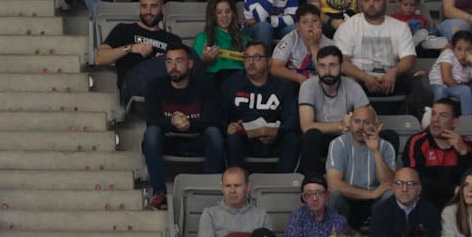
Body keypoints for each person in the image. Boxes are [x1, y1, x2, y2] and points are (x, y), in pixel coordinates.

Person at [141, 42, 223, 209]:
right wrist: (172, 122)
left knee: (215, 133)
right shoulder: (155, 86)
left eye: (179, 61)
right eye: (169, 61)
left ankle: (212, 190)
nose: (174, 66)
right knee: (151, 133)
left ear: (190, 63)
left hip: (196, 141)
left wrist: (189, 123)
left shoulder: (205, 86)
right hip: (168, 141)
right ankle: (159, 193)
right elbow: (152, 119)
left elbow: (213, 119)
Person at [332, 0, 417, 111]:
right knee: (345, 83)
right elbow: (341, 62)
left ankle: (419, 121)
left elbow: (409, 59)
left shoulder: (400, 27)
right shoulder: (348, 27)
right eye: (366, 0)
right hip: (359, 80)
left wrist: (393, 72)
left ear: (386, 1)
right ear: (361, 2)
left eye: (376, 0)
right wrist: (364, 76)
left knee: (420, 83)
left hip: (391, 80)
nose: (371, 4)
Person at [221, 40, 301, 172]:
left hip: (275, 138)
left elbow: (292, 119)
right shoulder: (231, 85)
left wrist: (276, 132)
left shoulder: (283, 86)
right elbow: (219, 115)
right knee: (232, 138)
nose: (251, 62)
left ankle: (284, 183)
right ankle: (238, 182)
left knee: (292, 138)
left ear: (269, 62)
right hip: (243, 138)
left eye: (257, 57)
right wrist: (228, 126)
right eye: (247, 57)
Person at [94, 0, 180, 102]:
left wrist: (165, 62)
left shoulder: (172, 39)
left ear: (163, 9)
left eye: (154, 6)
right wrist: (130, 48)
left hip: (164, 85)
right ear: (139, 8)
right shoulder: (123, 30)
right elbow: (99, 59)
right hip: (133, 84)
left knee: (185, 58)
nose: (148, 11)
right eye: (144, 6)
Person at [296, 43, 366, 177]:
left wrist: (354, 123)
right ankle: (313, 182)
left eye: (332, 65)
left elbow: (371, 117)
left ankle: (361, 181)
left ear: (341, 66)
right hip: (320, 139)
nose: (327, 71)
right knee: (311, 136)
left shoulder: (352, 86)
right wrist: (340, 125)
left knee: (386, 136)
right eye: (322, 66)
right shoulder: (308, 86)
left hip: (346, 137)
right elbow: (307, 126)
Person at [325, 105, 397, 226]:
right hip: (347, 200)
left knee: (390, 194)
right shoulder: (338, 144)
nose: (361, 127)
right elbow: (334, 185)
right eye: (356, 121)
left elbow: (389, 183)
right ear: (350, 123)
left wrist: (376, 151)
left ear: (376, 125)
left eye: (367, 122)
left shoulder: (386, 147)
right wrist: (370, 194)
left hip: (375, 203)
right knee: (333, 196)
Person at [366, 168, 443, 237]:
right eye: (399, 183)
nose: (404, 189)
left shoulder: (429, 209)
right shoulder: (381, 210)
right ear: (393, 187)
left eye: (410, 184)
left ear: (419, 189)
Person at [404, 97, 472, 206]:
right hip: (426, 205)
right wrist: (452, 189)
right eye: (433, 114)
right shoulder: (417, 142)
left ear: (454, 122)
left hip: (460, 205)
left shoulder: (469, 145)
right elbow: (415, 180)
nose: (435, 119)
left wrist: (464, 154)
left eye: (443, 115)